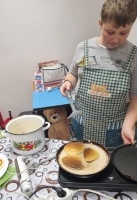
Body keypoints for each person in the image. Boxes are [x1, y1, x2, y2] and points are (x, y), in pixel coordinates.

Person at [60, 0, 137, 147]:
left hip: (115, 128)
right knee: (83, 159)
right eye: (110, 32)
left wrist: (128, 125)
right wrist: (67, 82)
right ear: (100, 24)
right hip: (83, 122)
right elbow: (73, 74)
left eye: (123, 33)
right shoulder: (83, 48)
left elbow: (135, 99)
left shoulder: (133, 55)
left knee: (108, 163)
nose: (116, 39)